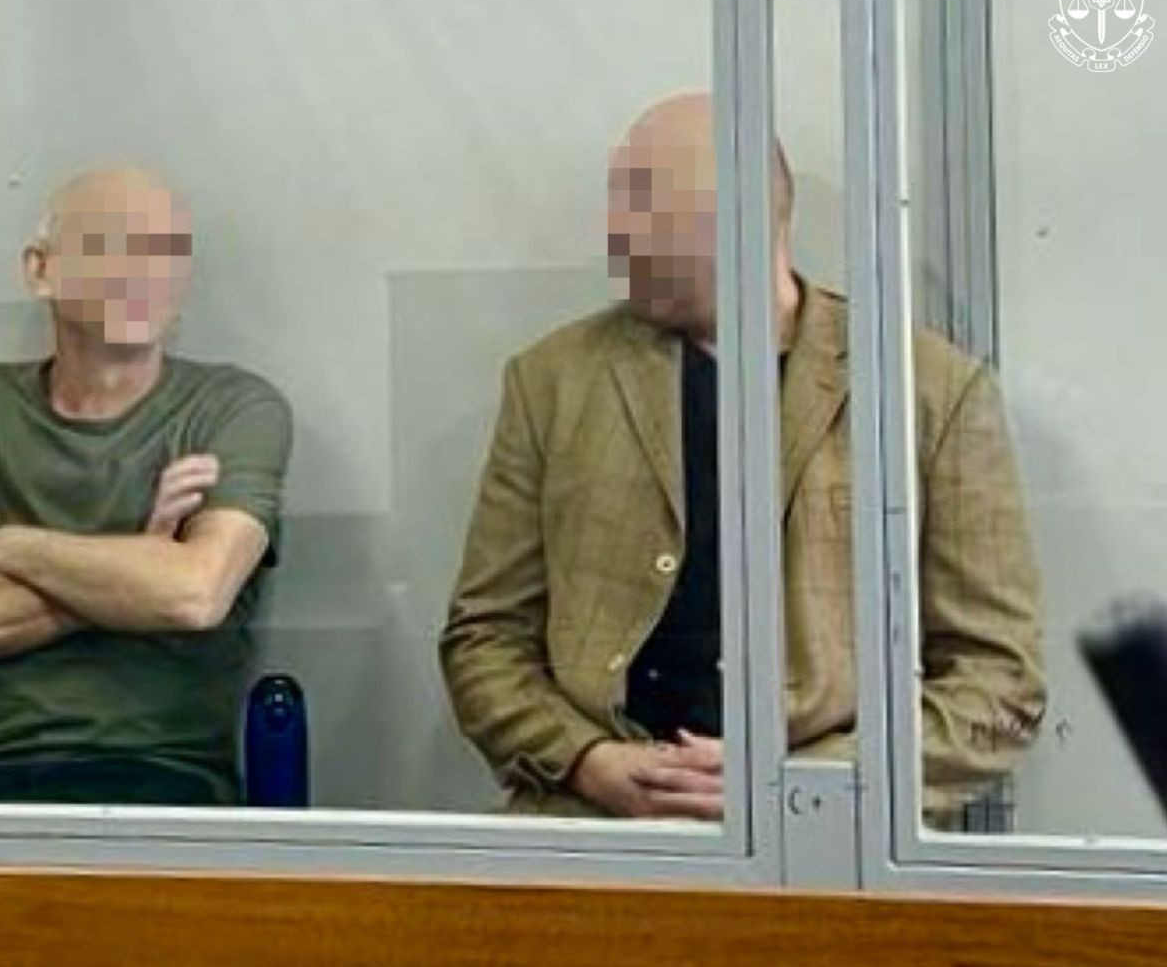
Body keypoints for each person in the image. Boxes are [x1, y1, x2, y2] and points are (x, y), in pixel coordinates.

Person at [440, 92, 1044, 822]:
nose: (614, 233)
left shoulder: (929, 391)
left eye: (643, 204)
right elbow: (484, 640)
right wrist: (587, 761)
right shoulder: (551, 382)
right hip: (588, 829)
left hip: (834, 845)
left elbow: (999, 683)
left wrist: (805, 784)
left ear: (744, 215)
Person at [0, 166, 292, 805]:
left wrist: (13, 546)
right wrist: (140, 558)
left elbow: (191, 594)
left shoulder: (231, 407)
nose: (142, 273)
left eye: (165, 252)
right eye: (109, 246)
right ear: (40, 270)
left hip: (162, 779)